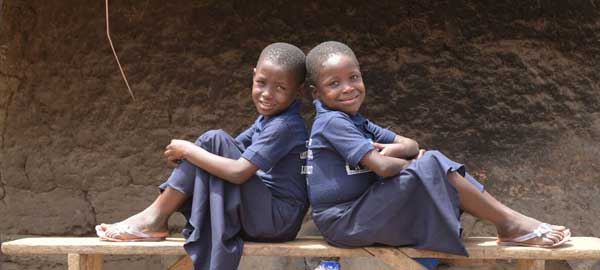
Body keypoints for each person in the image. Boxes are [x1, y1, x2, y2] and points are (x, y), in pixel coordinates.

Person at [304, 41, 570, 261]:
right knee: (430, 163)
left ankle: (509, 223)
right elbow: (384, 168)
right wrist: (416, 165)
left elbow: (411, 145)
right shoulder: (331, 121)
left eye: (354, 77)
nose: (348, 88)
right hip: (344, 222)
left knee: (430, 161)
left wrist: (401, 152)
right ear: (316, 93)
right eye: (334, 84)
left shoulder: (355, 120)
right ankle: (509, 223)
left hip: (365, 210)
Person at [96, 42, 310, 270]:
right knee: (210, 146)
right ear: (253, 76)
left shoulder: (286, 125)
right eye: (261, 83)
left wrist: (189, 151)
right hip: (264, 214)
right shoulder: (267, 120)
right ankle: (153, 218)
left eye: (280, 88)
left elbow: (238, 172)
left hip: (277, 219)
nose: (267, 94)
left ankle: (154, 217)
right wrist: (193, 159)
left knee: (212, 139)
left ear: (299, 91)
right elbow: (227, 150)